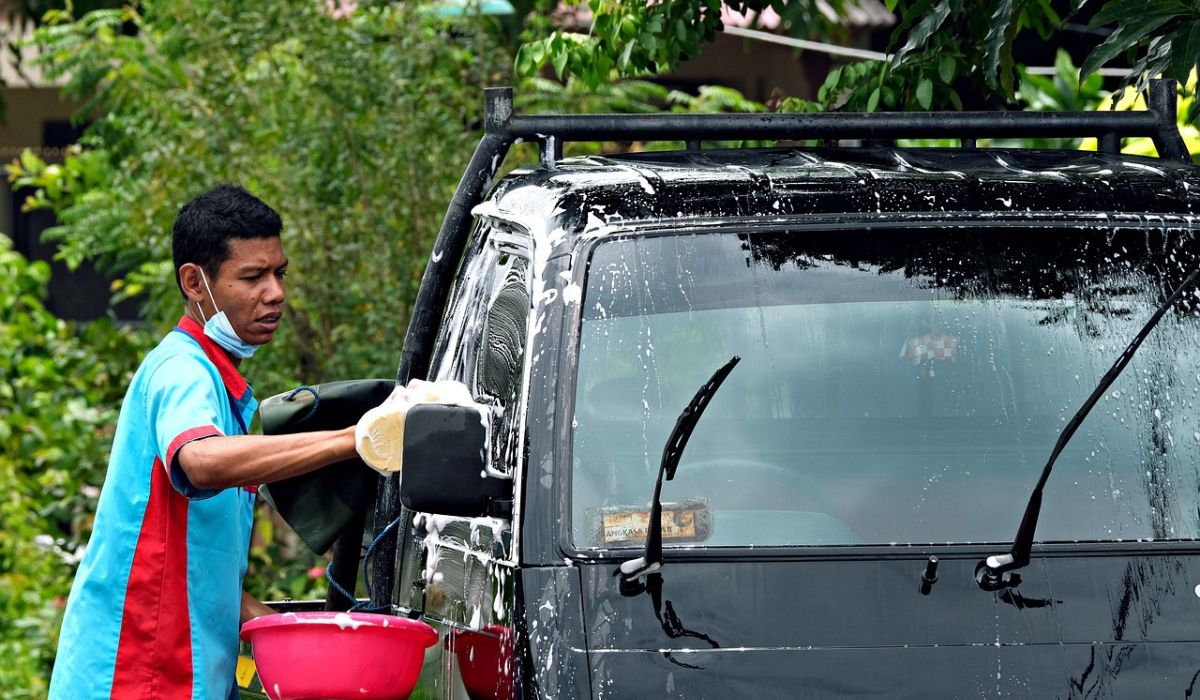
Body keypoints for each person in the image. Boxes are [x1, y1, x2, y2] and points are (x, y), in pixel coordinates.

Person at [49, 185, 358, 700]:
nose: (276, 292)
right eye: (253, 276)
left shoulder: (220, 386)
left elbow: (194, 557)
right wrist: (354, 440)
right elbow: (201, 461)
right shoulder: (182, 371)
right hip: (139, 676)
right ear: (195, 282)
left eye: (279, 273)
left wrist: (268, 625)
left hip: (184, 675)